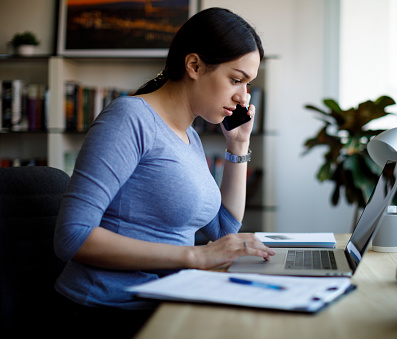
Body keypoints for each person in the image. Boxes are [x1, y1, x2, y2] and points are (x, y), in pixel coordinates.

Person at [53, 7, 275, 338]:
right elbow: (72, 235)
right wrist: (194, 256)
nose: (243, 98)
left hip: (164, 301)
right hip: (104, 312)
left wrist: (238, 146)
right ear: (195, 65)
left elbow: (223, 227)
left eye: (248, 84)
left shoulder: (190, 137)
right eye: (236, 79)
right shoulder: (130, 119)